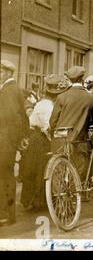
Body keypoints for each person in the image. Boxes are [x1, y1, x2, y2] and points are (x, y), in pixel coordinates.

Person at [20, 74, 70, 210]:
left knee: (34, 170)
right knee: (40, 170)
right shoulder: (47, 106)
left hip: (36, 138)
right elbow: (47, 127)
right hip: (41, 139)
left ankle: (31, 201)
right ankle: (38, 202)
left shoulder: (42, 103)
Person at [49, 66, 93, 180]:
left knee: (58, 170)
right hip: (79, 140)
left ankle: (58, 195)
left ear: (69, 80)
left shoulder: (61, 97)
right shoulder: (90, 98)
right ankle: (76, 194)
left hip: (60, 139)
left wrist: (53, 132)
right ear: (82, 79)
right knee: (78, 170)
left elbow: (53, 121)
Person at [0, 60, 29, 226]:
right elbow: (23, 117)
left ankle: (3, 215)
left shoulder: (7, 91)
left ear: (9, 73)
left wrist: (12, 140)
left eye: (1, 72)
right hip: (8, 141)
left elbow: (11, 117)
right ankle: (8, 216)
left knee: (3, 178)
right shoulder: (14, 89)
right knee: (7, 176)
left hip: (4, 140)